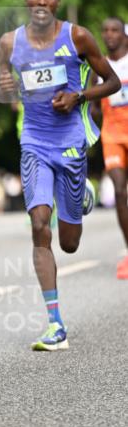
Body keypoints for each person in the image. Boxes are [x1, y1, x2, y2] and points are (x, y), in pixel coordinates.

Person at [0, 0, 120, 350]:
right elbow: (6, 85)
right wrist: (5, 90)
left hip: (70, 143)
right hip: (34, 141)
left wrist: (79, 96)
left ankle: (81, 194)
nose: (42, 0)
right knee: (38, 223)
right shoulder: (9, 42)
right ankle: (54, 323)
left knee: (69, 243)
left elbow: (112, 82)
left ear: (57, 2)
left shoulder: (78, 37)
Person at [93, 17, 128, 278]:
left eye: (115, 30)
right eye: (105, 31)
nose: (109, 35)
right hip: (112, 135)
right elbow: (93, 108)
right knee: (118, 191)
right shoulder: (99, 67)